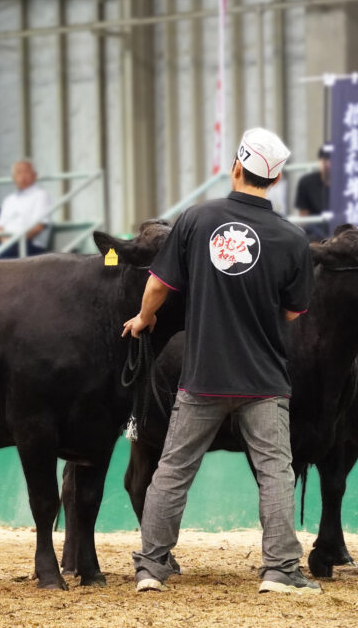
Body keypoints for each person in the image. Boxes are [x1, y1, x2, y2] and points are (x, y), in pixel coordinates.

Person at [124, 127, 318, 595]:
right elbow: (294, 311)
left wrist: (144, 318)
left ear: (237, 167)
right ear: (275, 180)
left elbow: (158, 285)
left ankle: (151, 566)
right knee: (275, 472)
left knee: (172, 469)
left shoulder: (196, 219)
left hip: (202, 375)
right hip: (264, 379)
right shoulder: (293, 239)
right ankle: (280, 570)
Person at [0, 160, 53, 257]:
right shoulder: (9, 200)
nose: (22, 176)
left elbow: (39, 226)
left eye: (26, 172)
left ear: (35, 175)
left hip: (30, 244)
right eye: (18, 173)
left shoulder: (41, 195)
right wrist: (5, 242)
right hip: (8, 244)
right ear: (13, 178)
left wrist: (14, 241)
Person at [293, 143, 332, 242]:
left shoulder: (345, 184)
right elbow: (303, 217)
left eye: (331, 159)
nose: (328, 164)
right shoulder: (307, 182)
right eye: (325, 159)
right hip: (315, 234)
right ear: (320, 161)